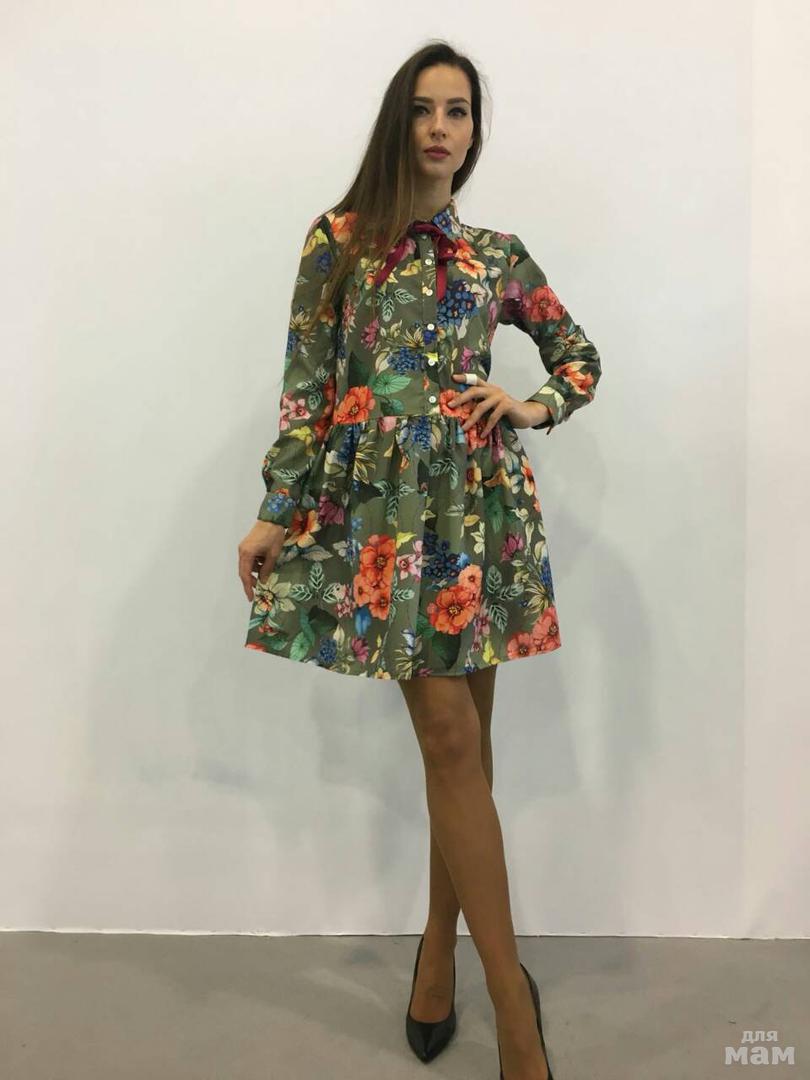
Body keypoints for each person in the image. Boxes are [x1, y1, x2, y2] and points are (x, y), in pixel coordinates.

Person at [237, 40, 601, 1080]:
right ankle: (512, 1006)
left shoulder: (495, 254)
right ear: (399, 121)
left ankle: (439, 951)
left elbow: (578, 355)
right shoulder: (338, 239)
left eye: (460, 111)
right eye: (425, 109)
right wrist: (276, 510)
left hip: (476, 511)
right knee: (450, 738)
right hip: (383, 519)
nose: (442, 127)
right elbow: (307, 386)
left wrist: (531, 404)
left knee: (462, 754)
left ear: (475, 131)